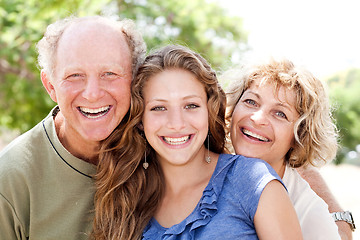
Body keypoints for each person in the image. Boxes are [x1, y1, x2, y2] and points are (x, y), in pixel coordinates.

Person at [92, 45, 303, 239]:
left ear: (209, 111)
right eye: (159, 108)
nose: (176, 124)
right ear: (140, 120)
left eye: (191, 105)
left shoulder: (253, 181)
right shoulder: (125, 194)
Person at [0, 15, 146, 240]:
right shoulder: (11, 179)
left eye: (110, 74)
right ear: (50, 86)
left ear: (135, 80)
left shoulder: (159, 150)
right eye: (75, 75)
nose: (93, 93)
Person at [223, 58, 347, 239]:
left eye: (280, 113)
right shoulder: (207, 173)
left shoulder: (309, 213)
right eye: (251, 102)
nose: (258, 118)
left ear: (300, 136)